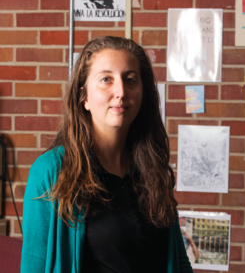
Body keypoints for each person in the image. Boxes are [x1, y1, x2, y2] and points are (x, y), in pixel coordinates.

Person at [21, 36, 193, 273]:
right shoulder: (50, 172)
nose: (120, 91)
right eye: (106, 80)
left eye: (130, 80)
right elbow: (35, 264)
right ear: (84, 97)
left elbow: (178, 260)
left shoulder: (154, 169)